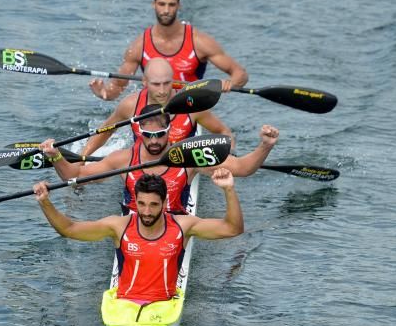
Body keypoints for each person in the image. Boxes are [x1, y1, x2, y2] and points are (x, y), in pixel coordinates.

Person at [33, 169, 242, 304]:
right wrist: (45, 202)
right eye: (141, 204)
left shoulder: (183, 226)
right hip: (124, 307)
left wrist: (229, 190)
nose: (147, 212)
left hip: (165, 308)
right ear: (135, 201)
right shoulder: (119, 226)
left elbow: (233, 228)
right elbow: (69, 229)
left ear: (164, 202)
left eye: (153, 205)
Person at [41, 112, 279, 214]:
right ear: (139, 132)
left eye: (160, 134)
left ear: (170, 131)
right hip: (135, 229)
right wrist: (56, 157)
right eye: (148, 135)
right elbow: (74, 176)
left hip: (176, 228)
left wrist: (265, 146)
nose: (154, 140)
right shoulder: (122, 159)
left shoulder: (189, 157)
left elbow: (244, 168)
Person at [89, 0, 250, 101]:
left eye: (171, 5)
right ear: (154, 5)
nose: (166, 10)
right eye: (162, 4)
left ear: (178, 6)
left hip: (189, 110)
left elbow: (240, 74)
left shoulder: (199, 42)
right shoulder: (139, 46)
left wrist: (228, 84)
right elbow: (117, 87)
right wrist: (103, 93)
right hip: (154, 115)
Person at [81, 57, 233, 158]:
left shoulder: (192, 105)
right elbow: (105, 132)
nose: (162, 91)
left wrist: (227, 156)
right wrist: (82, 158)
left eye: (167, 83)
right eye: (156, 84)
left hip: (181, 166)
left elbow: (224, 132)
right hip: (144, 164)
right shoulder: (130, 105)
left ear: (173, 81)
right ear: (145, 82)